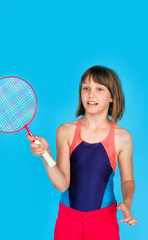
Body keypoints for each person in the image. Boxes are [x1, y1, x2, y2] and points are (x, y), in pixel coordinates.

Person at [26, 66, 138, 240]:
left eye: (99, 89)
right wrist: (45, 154)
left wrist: (127, 203)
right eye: (86, 88)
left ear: (112, 97)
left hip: (104, 222)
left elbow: (128, 180)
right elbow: (63, 185)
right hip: (68, 220)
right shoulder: (65, 131)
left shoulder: (122, 137)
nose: (91, 94)